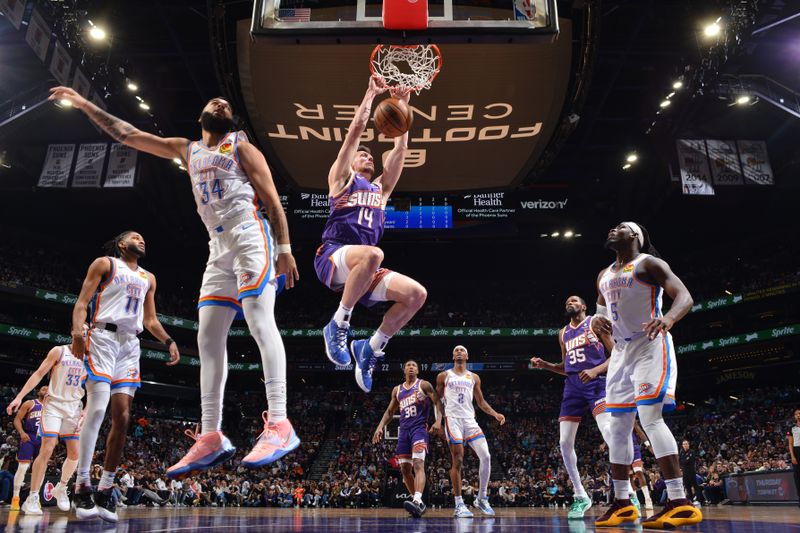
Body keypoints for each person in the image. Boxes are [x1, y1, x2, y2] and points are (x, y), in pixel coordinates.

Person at [48, 86, 301, 478]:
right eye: (214, 101)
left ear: (229, 120)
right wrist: (83, 104)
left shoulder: (242, 148)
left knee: (257, 317)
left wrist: (284, 247)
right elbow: (127, 135)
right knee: (207, 336)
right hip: (218, 246)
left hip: (250, 233)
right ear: (201, 117)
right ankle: (212, 434)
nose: (221, 103)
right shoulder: (188, 150)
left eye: (227, 105)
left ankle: (281, 423)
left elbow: (271, 197)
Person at [315, 77, 426, 393]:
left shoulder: (381, 190)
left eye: (369, 155)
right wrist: (371, 93)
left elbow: (401, 146)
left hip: (363, 268)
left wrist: (403, 104)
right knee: (373, 253)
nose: (366, 156)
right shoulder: (340, 180)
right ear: (349, 163)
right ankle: (339, 323)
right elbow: (354, 134)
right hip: (334, 255)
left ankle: (371, 348)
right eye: (361, 155)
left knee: (417, 295)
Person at [593, 222, 702, 528]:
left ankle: (680, 501)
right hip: (622, 352)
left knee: (650, 418)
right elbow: (602, 317)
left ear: (636, 237)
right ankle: (622, 502)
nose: (613, 229)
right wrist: (594, 324)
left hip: (650, 343)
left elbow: (684, 296)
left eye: (621, 227)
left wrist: (667, 319)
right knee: (617, 426)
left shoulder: (648, 264)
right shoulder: (603, 275)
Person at [68, 231, 180, 522]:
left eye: (145, 238)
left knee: (123, 417)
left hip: (130, 345)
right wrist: (77, 332)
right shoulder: (104, 264)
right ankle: (81, 485)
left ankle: (106, 489)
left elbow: (150, 320)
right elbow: (82, 303)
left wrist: (169, 341)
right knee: (97, 409)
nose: (142, 240)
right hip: (102, 337)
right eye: (136, 237)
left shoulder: (149, 278)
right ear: (121, 244)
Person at [530, 295, 614, 519]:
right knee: (564, 442)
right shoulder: (563, 333)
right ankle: (580, 495)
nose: (569, 303)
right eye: (566, 302)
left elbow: (617, 354)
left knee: (608, 432)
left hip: (596, 383)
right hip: (572, 387)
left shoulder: (595, 322)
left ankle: (627, 492)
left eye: (574, 301)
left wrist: (596, 370)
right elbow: (566, 367)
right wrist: (546, 365)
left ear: (584, 306)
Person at [6, 332, 88, 514]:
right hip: (53, 405)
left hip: (74, 407)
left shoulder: (91, 358)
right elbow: (39, 373)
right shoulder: (59, 351)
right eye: (80, 329)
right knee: (48, 446)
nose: (83, 333)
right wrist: (19, 397)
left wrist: (86, 411)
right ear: (73, 332)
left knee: (75, 453)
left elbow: (97, 389)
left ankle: (62, 487)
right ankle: (32, 497)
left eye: (86, 330)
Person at [436, 345, 505, 518]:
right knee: (458, 459)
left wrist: (495, 414)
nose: (459, 352)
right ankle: (459, 504)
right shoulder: (444, 375)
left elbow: (481, 402)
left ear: (467, 356)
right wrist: (438, 421)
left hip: (470, 420)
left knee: (486, 456)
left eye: (462, 350)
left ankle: (481, 498)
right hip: (452, 419)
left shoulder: (474, 377)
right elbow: (437, 401)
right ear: (453, 356)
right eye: (456, 350)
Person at [372, 360, 443, 517]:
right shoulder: (397, 390)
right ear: (404, 370)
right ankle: (418, 502)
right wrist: (379, 427)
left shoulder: (423, 385)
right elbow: (390, 412)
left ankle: (417, 500)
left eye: (414, 366)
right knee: (404, 470)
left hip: (419, 429)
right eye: (408, 366)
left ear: (417, 370)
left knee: (418, 463)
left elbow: (437, 401)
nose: (411, 367)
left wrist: (438, 421)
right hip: (403, 432)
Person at [9, 387, 46, 510]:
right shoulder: (30, 403)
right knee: (23, 467)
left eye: (47, 389)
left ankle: (34, 498)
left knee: (40, 470)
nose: (45, 389)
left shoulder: (52, 407)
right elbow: (17, 419)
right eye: (42, 388)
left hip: (44, 439)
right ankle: (15, 497)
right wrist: (21, 433)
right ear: (38, 392)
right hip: (29, 437)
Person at [679, 439, 701, 504]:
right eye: (684, 444)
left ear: (688, 445)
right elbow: (680, 461)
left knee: (695, 485)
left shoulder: (691, 452)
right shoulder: (681, 452)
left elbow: (687, 461)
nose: (685, 445)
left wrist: (684, 461)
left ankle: (698, 499)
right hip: (685, 472)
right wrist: (684, 461)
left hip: (691, 471)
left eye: (686, 444)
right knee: (687, 486)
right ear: (682, 445)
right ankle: (690, 500)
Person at [789, 408, 800, 508]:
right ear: (794, 416)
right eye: (796, 414)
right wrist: (792, 456)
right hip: (797, 451)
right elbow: (790, 444)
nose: (798, 415)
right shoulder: (792, 428)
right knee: (797, 476)